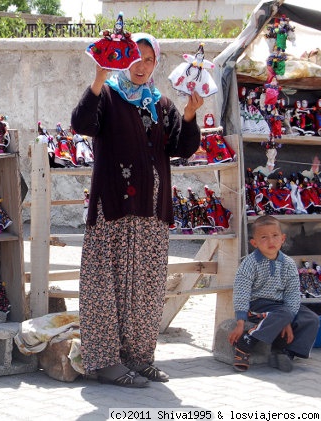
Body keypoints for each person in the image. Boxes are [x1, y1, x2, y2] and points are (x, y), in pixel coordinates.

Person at [71, 33, 204, 388]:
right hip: (112, 208)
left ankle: (140, 358)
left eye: (148, 59)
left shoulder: (161, 104)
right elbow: (82, 124)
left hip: (152, 213)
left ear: (155, 63)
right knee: (105, 284)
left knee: (145, 287)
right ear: (122, 59)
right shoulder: (109, 96)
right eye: (134, 58)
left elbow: (181, 147)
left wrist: (190, 113)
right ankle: (104, 361)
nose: (141, 66)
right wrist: (98, 78)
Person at [229, 215, 319, 373]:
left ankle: (285, 352)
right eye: (264, 237)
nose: (271, 241)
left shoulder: (288, 264)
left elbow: (292, 294)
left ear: (283, 238)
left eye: (275, 236)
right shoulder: (249, 263)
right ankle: (246, 342)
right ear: (254, 243)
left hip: (282, 308)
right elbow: (241, 292)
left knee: (310, 318)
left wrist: (288, 317)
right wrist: (241, 322)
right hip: (257, 305)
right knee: (283, 314)